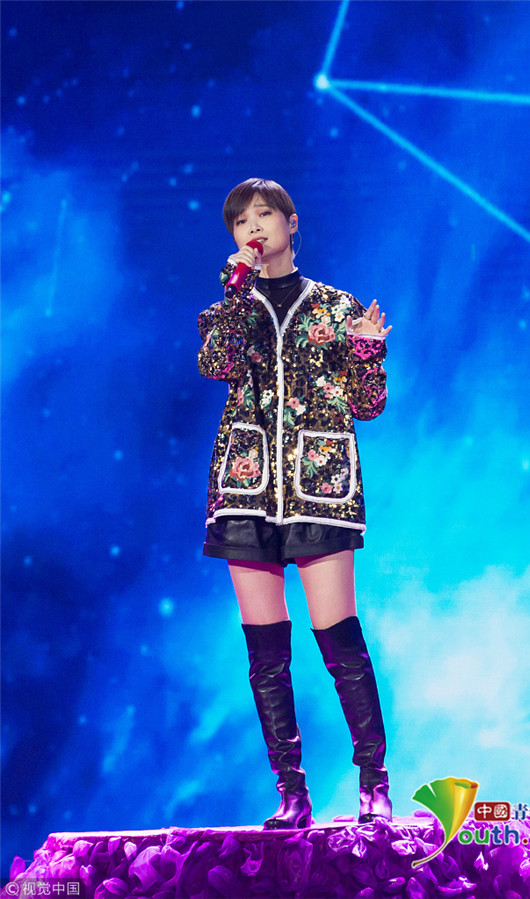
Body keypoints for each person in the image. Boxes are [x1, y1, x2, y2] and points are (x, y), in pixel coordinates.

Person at [197, 178, 392, 830]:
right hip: (246, 486)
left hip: (319, 487)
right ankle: (291, 792)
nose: (253, 227)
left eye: (263, 214)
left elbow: (366, 404)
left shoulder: (336, 307)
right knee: (265, 652)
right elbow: (216, 363)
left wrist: (367, 350)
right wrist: (235, 292)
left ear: (291, 221)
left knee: (339, 638)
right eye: (240, 221)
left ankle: (374, 783)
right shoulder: (231, 308)